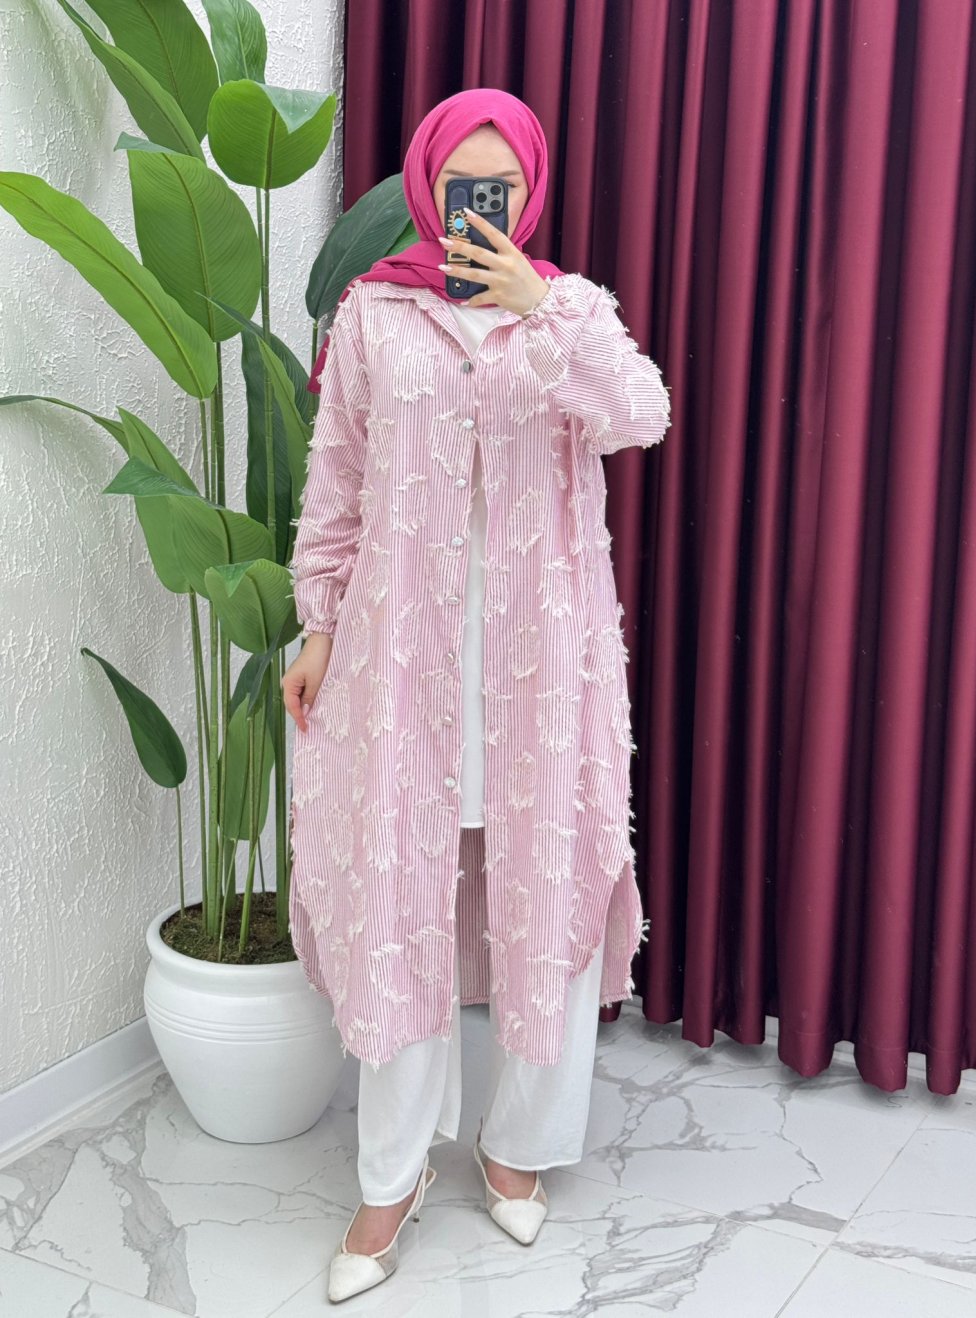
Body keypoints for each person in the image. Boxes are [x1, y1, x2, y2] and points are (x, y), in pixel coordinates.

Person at [282, 88, 671, 1303]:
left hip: (539, 670)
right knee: (400, 902)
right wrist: (317, 623)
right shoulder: (373, 313)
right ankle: (389, 1176)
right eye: (461, 186)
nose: (477, 206)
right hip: (401, 662)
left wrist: (536, 307)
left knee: (544, 892)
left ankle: (516, 1150)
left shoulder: (569, 310)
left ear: (530, 192)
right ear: (428, 185)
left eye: (499, 187)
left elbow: (641, 416)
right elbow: (337, 479)